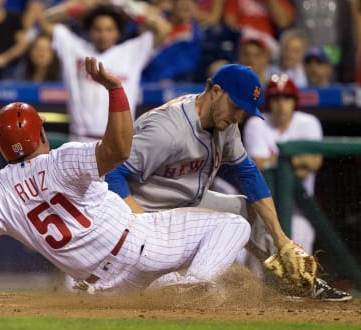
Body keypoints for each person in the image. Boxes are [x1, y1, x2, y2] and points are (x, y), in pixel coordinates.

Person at [0, 57, 251, 297]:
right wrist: (116, 90)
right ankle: (192, 286)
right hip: (141, 244)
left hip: (108, 284)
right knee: (235, 226)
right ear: (40, 133)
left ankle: (179, 287)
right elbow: (118, 150)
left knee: (166, 284)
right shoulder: (62, 159)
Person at [104, 63, 352, 301]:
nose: (238, 116)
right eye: (235, 106)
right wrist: (142, 225)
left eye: (243, 111)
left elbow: (248, 173)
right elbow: (111, 172)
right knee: (135, 285)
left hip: (187, 201)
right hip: (143, 212)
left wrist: (281, 239)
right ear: (215, 91)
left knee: (246, 212)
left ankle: (301, 282)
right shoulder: (167, 131)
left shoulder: (224, 122)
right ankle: (183, 286)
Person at [38, 2, 171, 141]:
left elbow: (164, 29)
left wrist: (130, 11)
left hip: (119, 142)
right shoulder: (74, 48)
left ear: (118, 32)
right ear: (89, 30)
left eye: (109, 29)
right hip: (81, 140)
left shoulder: (131, 51)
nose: (103, 35)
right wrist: (82, 8)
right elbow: (44, 20)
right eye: (97, 29)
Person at [243, 74, 322, 258]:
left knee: (299, 254)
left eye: (286, 97)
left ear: (294, 101)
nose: (281, 104)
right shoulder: (257, 123)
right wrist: (292, 161)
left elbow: (313, 163)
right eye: (276, 98)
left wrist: (274, 162)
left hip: (299, 209)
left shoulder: (308, 123)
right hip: (263, 209)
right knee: (260, 262)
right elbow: (258, 167)